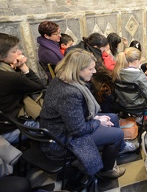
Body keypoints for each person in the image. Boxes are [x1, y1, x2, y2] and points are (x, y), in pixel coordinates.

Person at [39, 49, 127, 179]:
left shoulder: (62, 79)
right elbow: (78, 130)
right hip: (62, 138)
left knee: (113, 117)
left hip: (65, 127)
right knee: (118, 134)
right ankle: (106, 170)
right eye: (91, 69)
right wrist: (97, 121)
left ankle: (116, 149)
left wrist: (95, 118)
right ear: (78, 70)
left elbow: (74, 114)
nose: (95, 71)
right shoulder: (69, 93)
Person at [0, 33, 46, 143]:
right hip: (12, 130)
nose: (20, 52)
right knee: (57, 123)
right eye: (14, 51)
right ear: (1, 57)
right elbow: (39, 86)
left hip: (3, 124)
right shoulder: (11, 78)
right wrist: (22, 67)